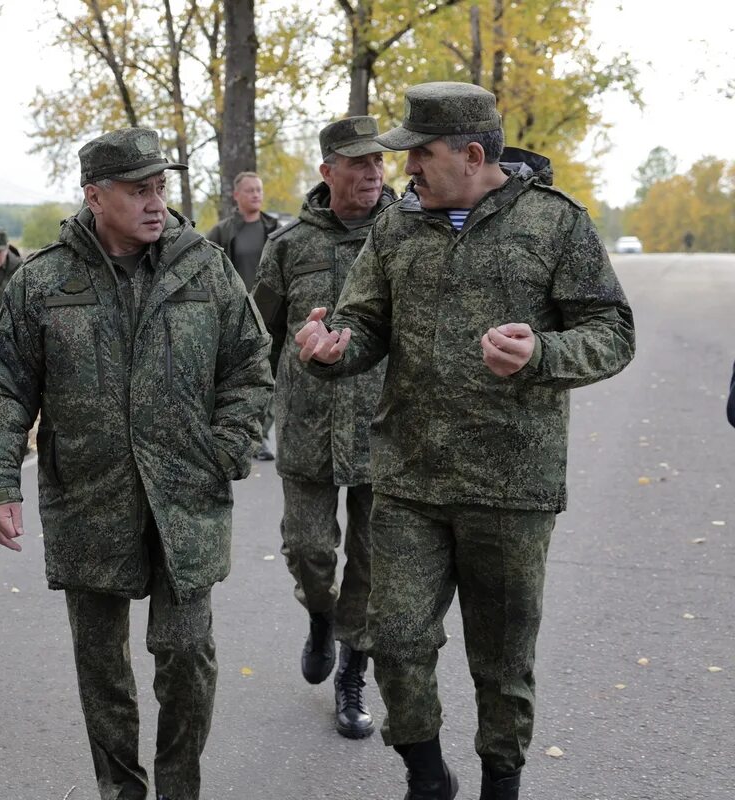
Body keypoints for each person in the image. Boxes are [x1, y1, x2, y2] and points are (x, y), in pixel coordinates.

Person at [295, 82, 635, 800]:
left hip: (511, 486)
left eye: (420, 154)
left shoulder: (554, 224)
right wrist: (331, 348)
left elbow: (612, 331)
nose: (405, 169)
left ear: (473, 154)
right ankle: (425, 775)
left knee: (502, 661)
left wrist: (543, 354)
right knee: (398, 642)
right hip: (411, 477)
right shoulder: (395, 229)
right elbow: (364, 324)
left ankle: (500, 784)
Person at [0, 127, 271, 800]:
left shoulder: (202, 266)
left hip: (186, 497)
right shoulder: (44, 281)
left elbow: (251, 365)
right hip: (90, 498)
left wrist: (229, 445)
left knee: (188, 654)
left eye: (161, 187)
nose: (155, 202)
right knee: (102, 667)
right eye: (139, 190)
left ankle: (178, 788)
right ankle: (120, 790)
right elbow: (2, 388)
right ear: (95, 196)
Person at [252, 115, 394, 740]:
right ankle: (319, 613)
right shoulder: (289, 245)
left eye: (380, 163)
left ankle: (351, 678)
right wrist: (250, 411)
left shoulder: (405, 234)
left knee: (369, 562)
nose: (373, 173)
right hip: (306, 425)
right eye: (359, 163)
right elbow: (259, 337)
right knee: (310, 551)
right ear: (327, 171)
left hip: (383, 430)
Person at [208, 172, 279, 461]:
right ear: (236, 196)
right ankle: (236, 434)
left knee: (270, 378)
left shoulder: (274, 229)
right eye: (249, 190)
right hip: (236, 317)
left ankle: (261, 436)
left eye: (259, 190)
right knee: (236, 379)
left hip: (271, 315)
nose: (255, 195)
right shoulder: (223, 232)